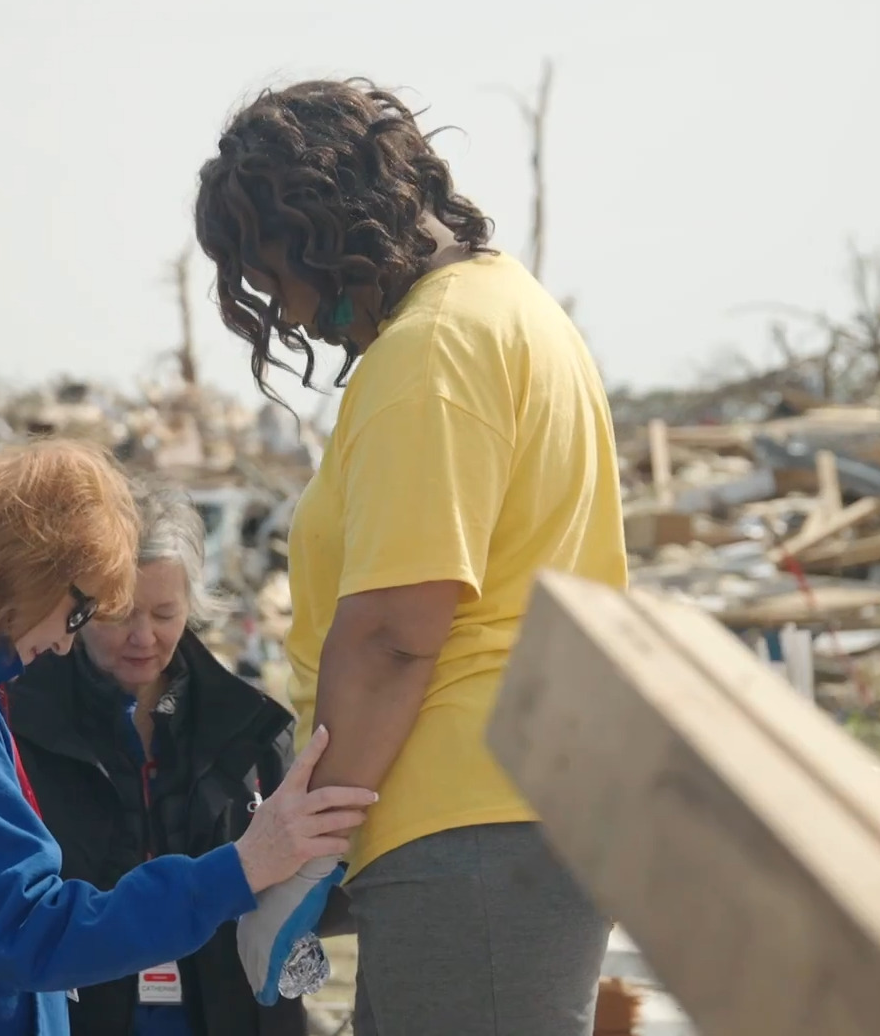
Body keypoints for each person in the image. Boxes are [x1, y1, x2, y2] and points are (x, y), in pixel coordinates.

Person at [193, 79, 628, 1035]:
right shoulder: (511, 311)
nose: (291, 314)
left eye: (274, 277)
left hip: (472, 821)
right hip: (519, 812)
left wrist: (305, 849)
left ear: (321, 226)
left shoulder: (432, 350)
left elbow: (395, 632)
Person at [0, 439, 379, 1035]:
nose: (68, 640)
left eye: (162, 614)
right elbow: (32, 930)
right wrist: (241, 867)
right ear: (35, 572)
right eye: (84, 612)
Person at [6, 485, 314, 1036]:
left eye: (165, 613)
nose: (143, 637)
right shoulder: (14, 724)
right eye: (119, 613)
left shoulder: (253, 732)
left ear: (193, 606)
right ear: (76, 609)